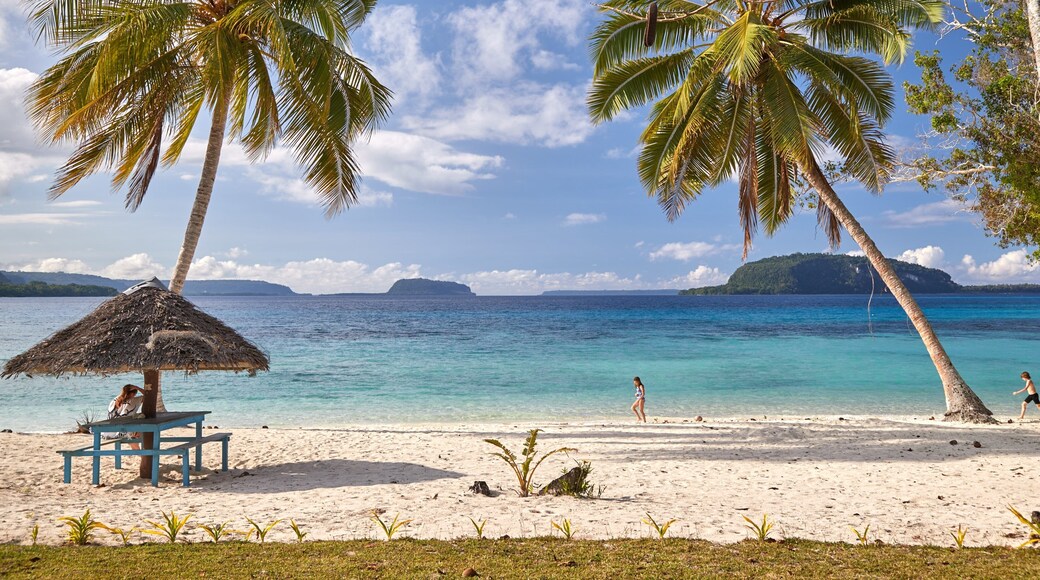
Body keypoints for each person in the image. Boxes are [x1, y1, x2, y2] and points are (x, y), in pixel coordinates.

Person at [107, 384, 144, 449]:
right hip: (122, 432)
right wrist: (138, 388)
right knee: (145, 431)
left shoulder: (114, 400)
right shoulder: (134, 400)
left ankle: (138, 451)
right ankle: (141, 454)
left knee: (133, 432)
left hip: (108, 432)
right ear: (132, 394)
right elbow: (149, 395)